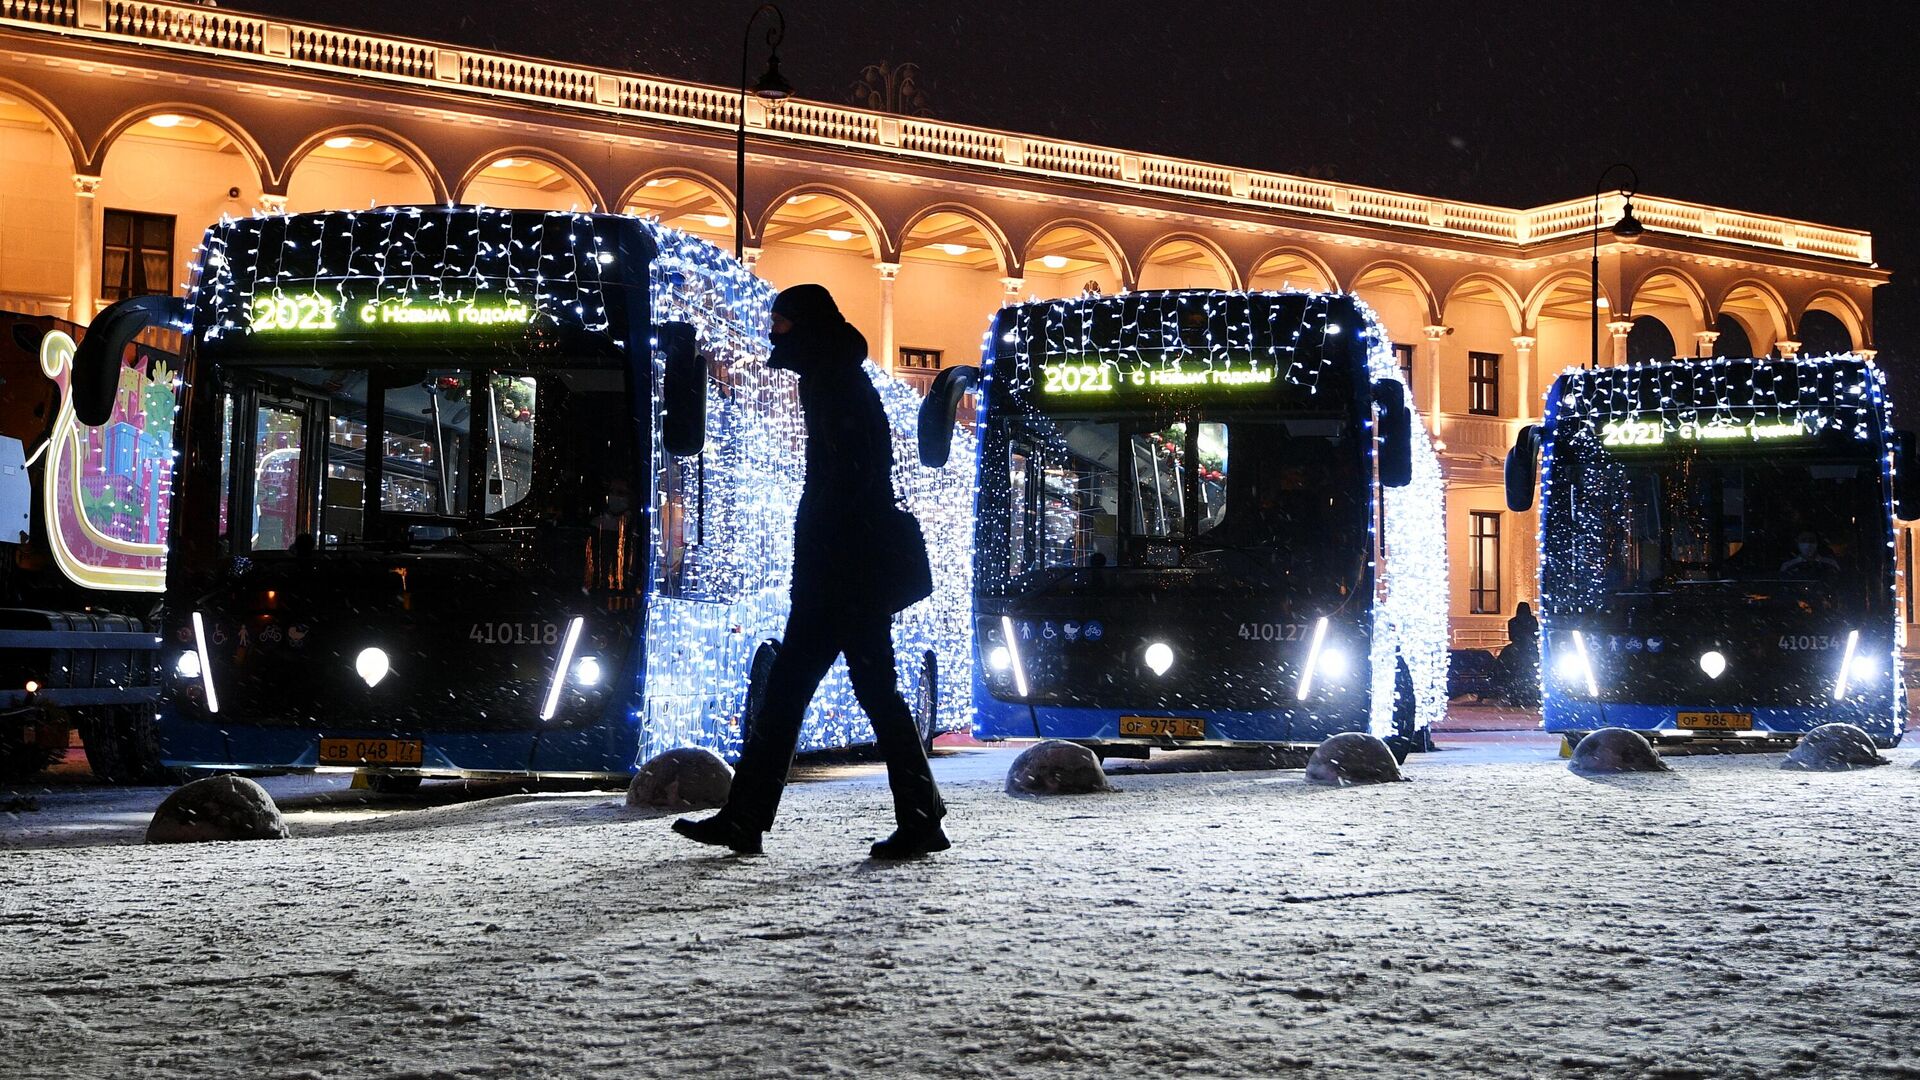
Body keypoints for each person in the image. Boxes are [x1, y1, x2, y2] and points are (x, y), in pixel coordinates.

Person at [673, 284, 947, 859]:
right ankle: (913, 817)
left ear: (807, 327)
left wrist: (822, 557)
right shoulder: (833, 378)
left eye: (782, 324)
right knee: (843, 693)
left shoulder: (835, 385)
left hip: (841, 574)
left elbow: (848, 482)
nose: (774, 334)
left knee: (820, 694)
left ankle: (753, 819)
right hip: (845, 572)